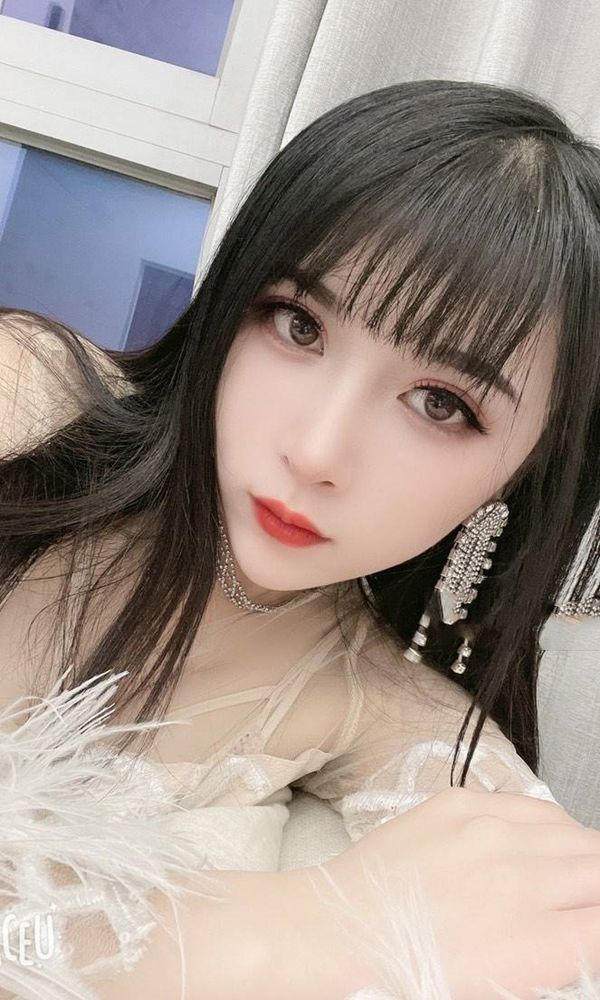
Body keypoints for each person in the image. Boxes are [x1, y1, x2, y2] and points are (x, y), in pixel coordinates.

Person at [0, 78, 599, 1000]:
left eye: (441, 404)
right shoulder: (29, 399)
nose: (316, 452)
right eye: (299, 324)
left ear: (524, 471)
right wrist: (298, 927)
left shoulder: (394, 707)